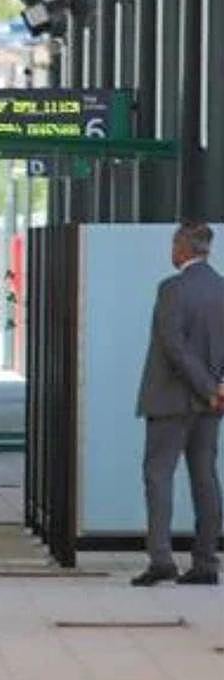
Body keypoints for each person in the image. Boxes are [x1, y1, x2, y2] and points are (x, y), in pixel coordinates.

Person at [132, 222, 224, 587]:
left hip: (171, 400)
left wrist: (205, 386)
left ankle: (161, 558)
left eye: (173, 244)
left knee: (158, 475)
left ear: (182, 247)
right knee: (205, 477)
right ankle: (206, 561)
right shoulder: (221, 288)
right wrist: (216, 389)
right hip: (211, 403)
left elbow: (174, 346)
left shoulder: (172, 289)